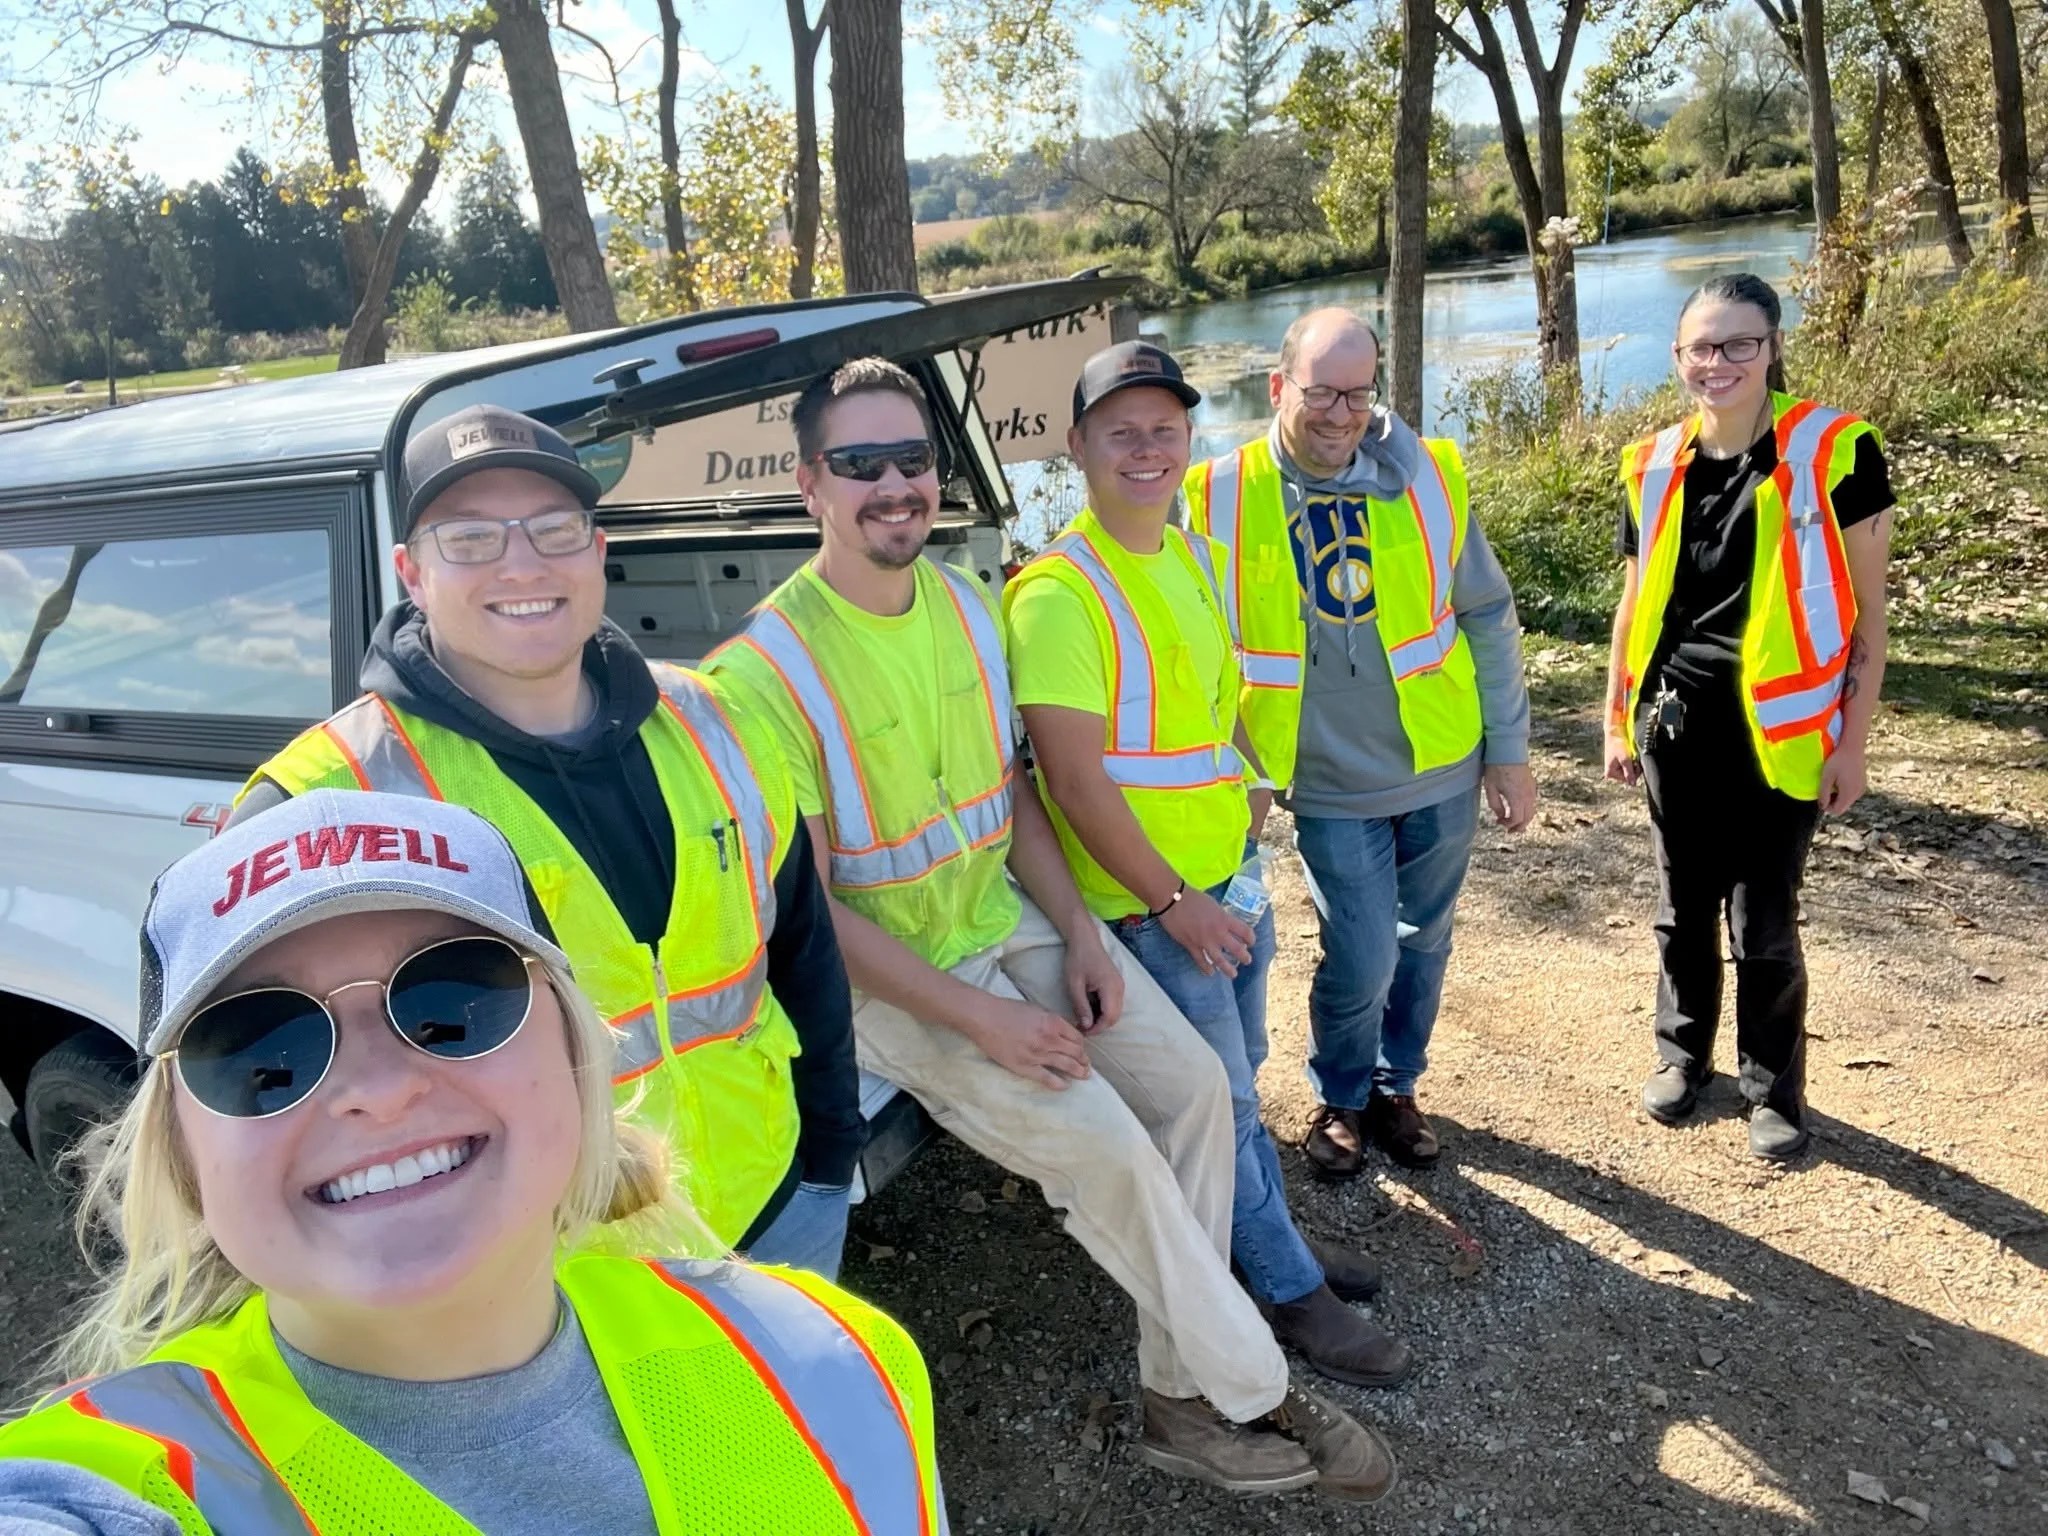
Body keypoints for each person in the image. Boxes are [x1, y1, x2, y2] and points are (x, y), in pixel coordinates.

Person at [708, 357, 1397, 1503]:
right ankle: (1254, 1386)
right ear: (807, 484)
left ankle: (1176, 1396)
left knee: (1193, 1094)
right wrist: (984, 1019)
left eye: (912, 458)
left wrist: (1077, 932)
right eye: (859, 462)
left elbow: (1014, 796)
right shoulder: (762, 671)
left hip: (1007, 918)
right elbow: (811, 913)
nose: (894, 483)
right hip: (893, 984)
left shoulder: (963, 606)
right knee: (1108, 1151)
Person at [0, 789, 941, 1535]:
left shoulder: (838, 1358)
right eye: (258, 1047)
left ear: (576, 1055)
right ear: (183, 1154)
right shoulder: (107, 1485)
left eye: (453, 997)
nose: (379, 1088)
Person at [231, 405, 863, 1276]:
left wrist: (829, 1160)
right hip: (548, 1273)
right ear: (412, 573)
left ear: (598, 552)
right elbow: (264, 1107)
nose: (523, 564)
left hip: (776, 1204)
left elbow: (804, 955)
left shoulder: (720, 721)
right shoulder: (321, 807)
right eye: (471, 538)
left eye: (554, 529)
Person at [1006, 341, 1413, 1390]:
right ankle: (1286, 1289)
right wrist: (1172, 900)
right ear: (1076, 447)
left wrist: (1248, 787)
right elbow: (1073, 779)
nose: (1147, 449)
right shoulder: (1058, 595)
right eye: (1121, 432)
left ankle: (1259, 1233)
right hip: (1152, 910)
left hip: (1223, 879)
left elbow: (1206, 703)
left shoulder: (1186, 552)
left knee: (1244, 1076)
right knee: (1220, 1101)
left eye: (1165, 429)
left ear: (1188, 438)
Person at [1183, 308, 1536, 1179]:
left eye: (1357, 394)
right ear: (1278, 387)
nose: (1340, 415)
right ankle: (1340, 1094)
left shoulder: (1431, 475)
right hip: (1326, 779)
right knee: (1364, 950)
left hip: (1441, 758)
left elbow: (1487, 614)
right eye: (1320, 394)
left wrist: (1509, 748)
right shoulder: (1214, 494)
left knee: (1425, 940)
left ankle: (1395, 1085)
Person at [1603, 273, 1894, 1160]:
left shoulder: (1838, 451)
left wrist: (1853, 744)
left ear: (1772, 347)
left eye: (1739, 343)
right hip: (1676, 721)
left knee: (1763, 922)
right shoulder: (1651, 463)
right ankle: (1681, 1057)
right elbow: (1634, 605)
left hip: (1787, 730)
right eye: (1702, 346)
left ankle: (1773, 1088)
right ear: (1677, 356)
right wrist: (1616, 718)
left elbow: (1870, 620)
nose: (1718, 362)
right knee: (1681, 907)